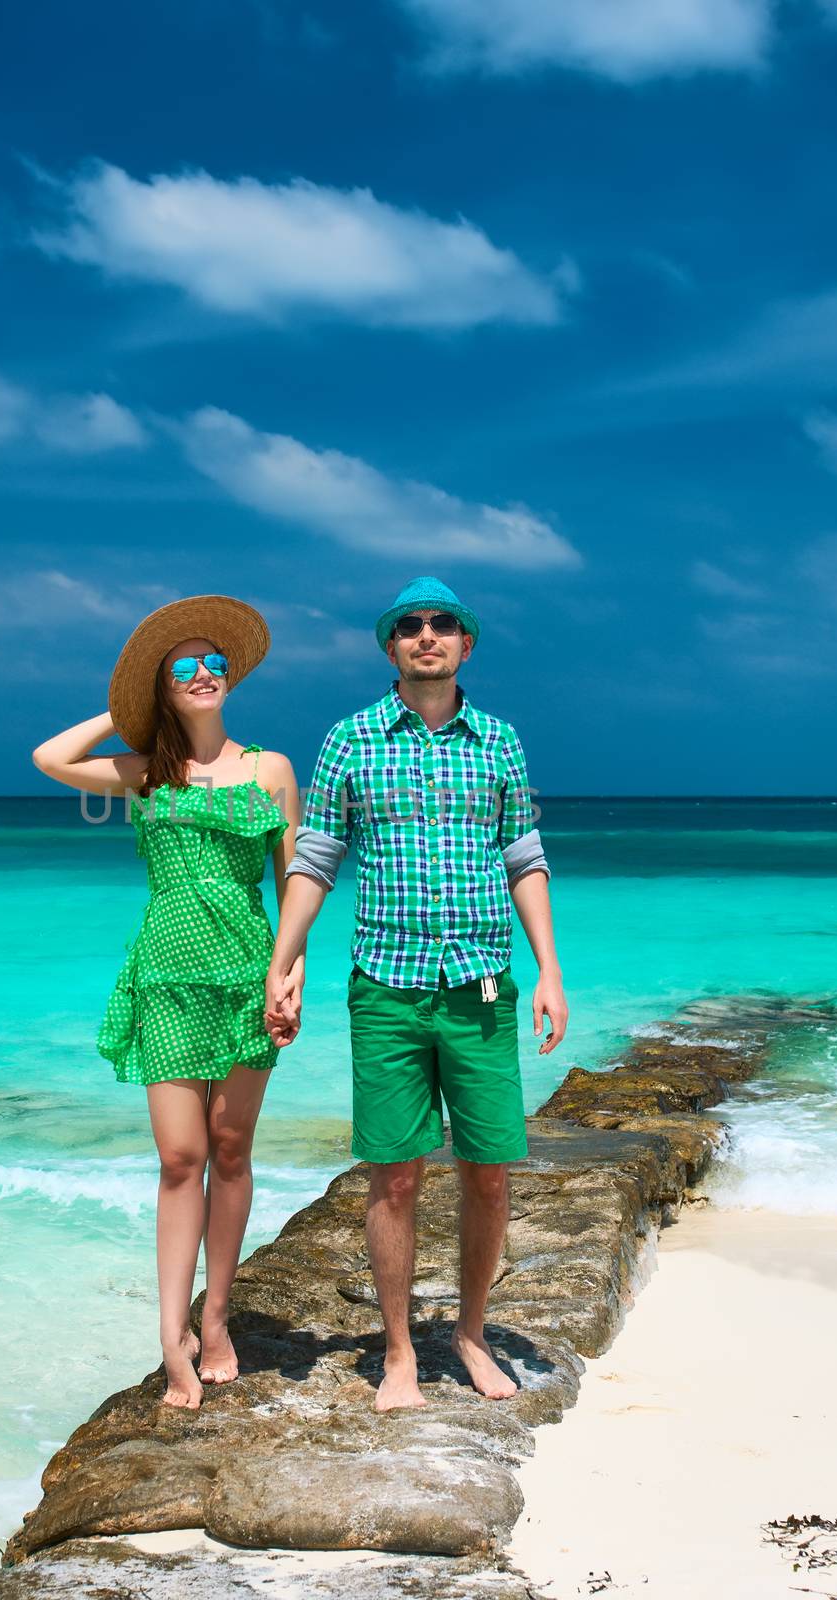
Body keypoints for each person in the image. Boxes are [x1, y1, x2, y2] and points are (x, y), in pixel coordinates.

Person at [264, 576, 567, 1412]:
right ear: (390, 645)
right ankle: (399, 1351)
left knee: (490, 1172)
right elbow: (316, 858)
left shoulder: (499, 742)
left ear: (466, 645)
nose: (426, 635)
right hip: (387, 988)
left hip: (479, 986)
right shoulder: (351, 740)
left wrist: (549, 971)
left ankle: (469, 1333)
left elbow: (524, 857)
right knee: (393, 1175)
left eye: (443, 625)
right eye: (409, 625)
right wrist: (283, 963)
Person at [33, 595, 303, 1409]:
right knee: (180, 1158)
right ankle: (169, 1335)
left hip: (247, 973)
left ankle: (215, 1316)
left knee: (230, 1149)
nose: (204, 674)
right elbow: (49, 756)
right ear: (162, 685)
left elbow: (299, 878)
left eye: (214, 663)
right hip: (166, 978)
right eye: (183, 665)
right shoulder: (145, 770)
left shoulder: (271, 770)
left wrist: (289, 974)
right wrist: (129, 709)